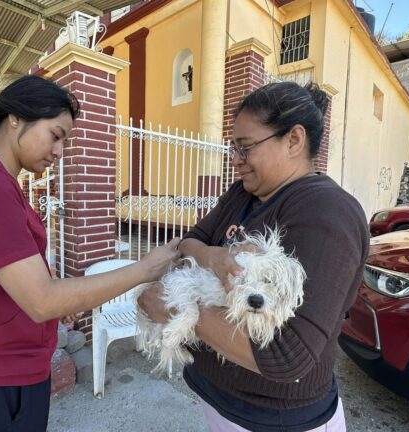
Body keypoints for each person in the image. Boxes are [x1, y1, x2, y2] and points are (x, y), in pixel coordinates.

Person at [0, 75, 179, 432]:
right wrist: (144, 269)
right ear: (15, 118)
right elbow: (42, 300)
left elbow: (6, 269)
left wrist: (57, 290)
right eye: (56, 135)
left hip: (13, 372)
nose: (59, 151)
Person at [138, 81, 369, 432]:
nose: (236, 160)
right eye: (234, 148)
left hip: (275, 418)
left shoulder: (328, 212)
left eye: (245, 148)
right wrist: (213, 256)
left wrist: (178, 309)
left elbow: (287, 357)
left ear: (293, 140)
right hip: (220, 398)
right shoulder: (243, 194)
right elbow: (190, 241)